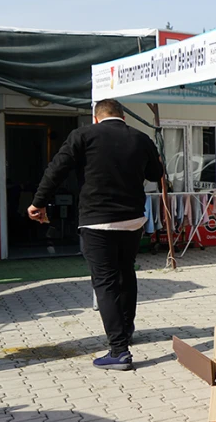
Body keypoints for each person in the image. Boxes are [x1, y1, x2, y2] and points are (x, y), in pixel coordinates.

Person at [28, 99, 163, 370]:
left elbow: (56, 170)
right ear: (122, 116)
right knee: (126, 273)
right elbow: (156, 173)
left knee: (105, 282)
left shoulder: (82, 136)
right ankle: (126, 330)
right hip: (133, 220)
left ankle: (119, 350)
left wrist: (38, 202)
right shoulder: (140, 137)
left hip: (97, 221)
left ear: (96, 117)